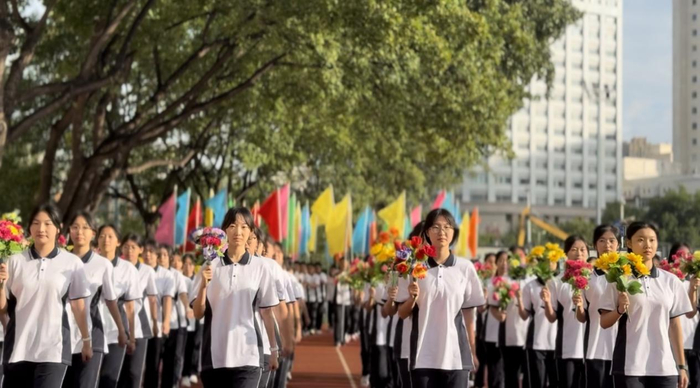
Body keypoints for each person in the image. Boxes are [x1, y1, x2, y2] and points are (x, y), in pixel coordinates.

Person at [1, 204, 91, 388]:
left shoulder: (72, 263)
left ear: (58, 228)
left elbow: (78, 305)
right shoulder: (15, 262)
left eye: (48, 224)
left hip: (54, 350)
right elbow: (3, 309)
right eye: (36, 223)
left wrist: (86, 340)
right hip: (18, 348)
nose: (41, 229)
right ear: (29, 228)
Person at [190, 207, 279, 387]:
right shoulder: (210, 265)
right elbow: (198, 313)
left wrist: (274, 350)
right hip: (214, 357)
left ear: (251, 232)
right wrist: (203, 287)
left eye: (244, 227)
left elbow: (267, 312)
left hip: (249, 356)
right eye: (232, 226)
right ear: (223, 231)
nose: (238, 232)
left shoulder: (261, 267)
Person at [397, 209, 484, 388]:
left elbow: (469, 315)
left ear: (454, 232)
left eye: (447, 227)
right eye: (436, 227)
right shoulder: (414, 266)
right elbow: (402, 313)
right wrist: (412, 299)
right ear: (427, 232)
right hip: (423, 355)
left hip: (456, 356)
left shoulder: (465, 267)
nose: (442, 232)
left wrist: (473, 350)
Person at [600, 221, 691, 388]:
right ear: (629, 243)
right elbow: (604, 322)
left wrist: (682, 366)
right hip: (630, 367)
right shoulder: (618, 279)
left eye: (652, 240)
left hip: (665, 368)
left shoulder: (671, 281)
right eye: (640, 240)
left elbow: (675, 325)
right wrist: (620, 309)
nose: (647, 245)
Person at [63, 212, 127, 388]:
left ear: (93, 233)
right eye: (75, 227)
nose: (79, 232)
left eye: (85, 227)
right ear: (69, 231)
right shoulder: (60, 260)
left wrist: (121, 330)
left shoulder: (102, 264)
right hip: (62, 335)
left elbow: (111, 300)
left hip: (93, 335)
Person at [542, 235, 588, 388]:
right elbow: (552, 317)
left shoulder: (596, 280)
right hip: (568, 348)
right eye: (574, 249)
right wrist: (547, 303)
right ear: (566, 253)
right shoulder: (556, 281)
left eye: (583, 250)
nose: (579, 253)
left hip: (593, 349)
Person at [97, 224, 140, 388]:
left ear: (118, 242)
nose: (105, 240)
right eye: (102, 236)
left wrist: (132, 337)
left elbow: (130, 306)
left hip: (116, 333)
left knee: (109, 380)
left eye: (110, 236)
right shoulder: (90, 265)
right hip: (93, 331)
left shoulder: (128, 269)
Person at [118, 233, 159, 388]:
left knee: (134, 372)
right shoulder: (115, 268)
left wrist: (155, 322)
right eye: (126, 247)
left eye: (133, 247)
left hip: (139, 327)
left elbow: (153, 299)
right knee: (120, 372)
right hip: (118, 326)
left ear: (140, 249)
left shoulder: (147, 271)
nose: (129, 250)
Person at [516, 248, 559, 388]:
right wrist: (519, 301)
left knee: (556, 382)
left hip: (557, 342)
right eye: (546, 262)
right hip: (536, 342)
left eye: (553, 261)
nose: (550, 265)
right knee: (537, 382)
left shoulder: (560, 284)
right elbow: (524, 315)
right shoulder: (530, 286)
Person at [142, 239, 175, 388]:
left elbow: (167, 299)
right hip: (136, 326)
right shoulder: (137, 270)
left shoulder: (166, 275)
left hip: (156, 326)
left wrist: (166, 321)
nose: (148, 255)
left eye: (151, 252)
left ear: (156, 256)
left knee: (153, 365)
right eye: (146, 252)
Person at [158, 245, 189, 388]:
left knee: (172, 359)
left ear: (169, 258)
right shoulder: (152, 273)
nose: (161, 258)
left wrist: (187, 306)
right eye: (159, 255)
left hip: (174, 322)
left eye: (164, 255)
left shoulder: (176, 275)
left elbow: (182, 293)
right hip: (155, 322)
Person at [483, 251, 510, 388]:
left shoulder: (514, 283)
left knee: (507, 371)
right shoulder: (489, 283)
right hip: (493, 330)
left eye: (507, 260)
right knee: (494, 369)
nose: (504, 264)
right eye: (501, 260)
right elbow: (482, 308)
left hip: (510, 333)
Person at [474, 252, 497, 388]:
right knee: (481, 359)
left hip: (494, 326)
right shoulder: (480, 281)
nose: (492, 265)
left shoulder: (501, 282)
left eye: (494, 262)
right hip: (480, 325)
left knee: (493, 363)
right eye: (489, 262)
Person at [181, 253, 202, 387]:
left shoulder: (197, 280)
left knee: (196, 344)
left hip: (196, 318)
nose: (187, 267)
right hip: (183, 319)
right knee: (186, 346)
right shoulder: (179, 279)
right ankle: (184, 374)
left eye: (190, 264)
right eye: (185, 264)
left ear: (193, 266)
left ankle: (193, 371)